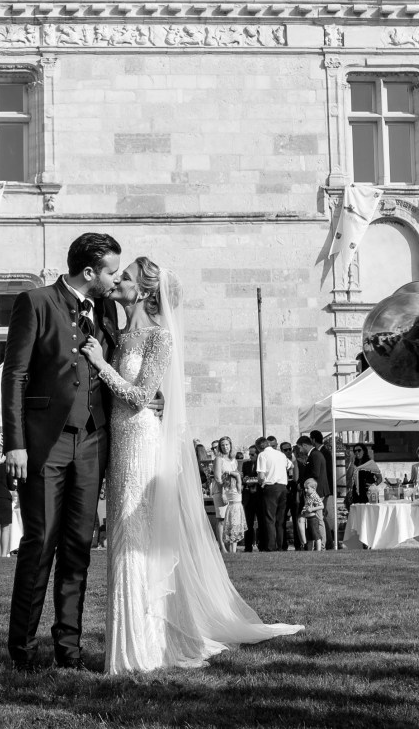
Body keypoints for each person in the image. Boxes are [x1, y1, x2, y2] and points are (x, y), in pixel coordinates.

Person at [78, 255, 301, 673]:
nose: (117, 281)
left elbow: (143, 395)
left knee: (136, 529)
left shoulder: (160, 337)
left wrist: (101, 365)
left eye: (124, 277)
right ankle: (128, 644)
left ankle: (141, 649)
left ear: (143, 291)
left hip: (142, 438)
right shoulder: (119, 329)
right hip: (120, 442)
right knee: (124, 531)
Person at [1, 233, 124, 672]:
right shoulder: (34, 302)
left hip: (93, 441)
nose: (115, 278)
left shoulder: (109, 309)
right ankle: (22, 650)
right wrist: (14, 442)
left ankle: (68, 651)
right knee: (40, 543)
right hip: (43, 444)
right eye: (111, 270)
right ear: (89, 272)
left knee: (78, 546)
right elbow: (14, 375)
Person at [253, 438, 291, 552]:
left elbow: (261, 475)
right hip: (283, 487)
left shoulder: (262, 455)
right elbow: (290, 465)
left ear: (258, 447)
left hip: (270, 488)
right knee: (280, 519)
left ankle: (271, 546)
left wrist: (261, 483)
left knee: (270, 519)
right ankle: (280, 545)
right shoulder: (281, 454)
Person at [217, 473, 245, 553]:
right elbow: (238, 475)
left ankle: (231, 550)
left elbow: (223, 496)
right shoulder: (237, 488)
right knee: (235, 529)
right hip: (237, 508)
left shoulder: (225, 488)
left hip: (230, 508)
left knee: (230, 529)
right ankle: (233, 550)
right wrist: (229, 471)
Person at [298, 479, 326, 550]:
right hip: (308, 518)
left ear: (313, 488)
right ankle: (310, 550)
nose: (305, 490)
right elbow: (307, 505)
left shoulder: (315, 496)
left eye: (307, 488)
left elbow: (322, 506)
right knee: (309, 536)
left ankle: (319, 549)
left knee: (316, 535)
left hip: (313, 518)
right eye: (305, 488)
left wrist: (312, 509)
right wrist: (304, 510)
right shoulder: (308, 495)